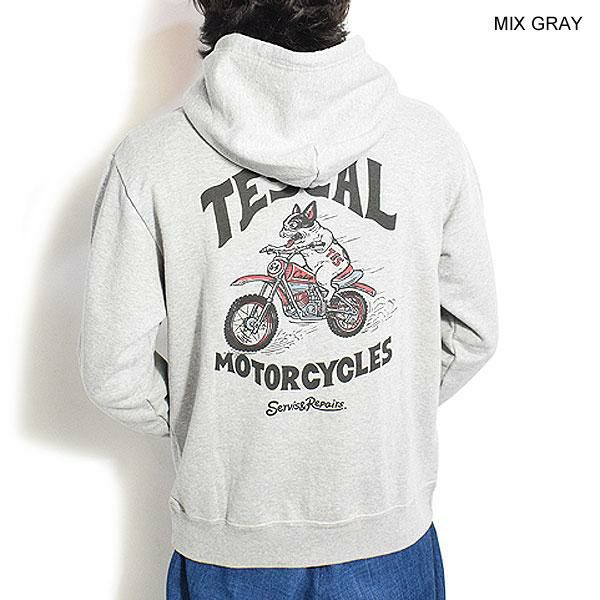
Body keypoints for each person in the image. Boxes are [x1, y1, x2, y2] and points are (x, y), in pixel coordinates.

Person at [77, 0, 498, 598]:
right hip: (387, 536)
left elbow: (112, 372)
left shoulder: (148, 160)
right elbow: (472, 333)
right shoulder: (429, 141)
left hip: (229, 550)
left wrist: (212, 415)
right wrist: (384, 403)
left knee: (324, 285)